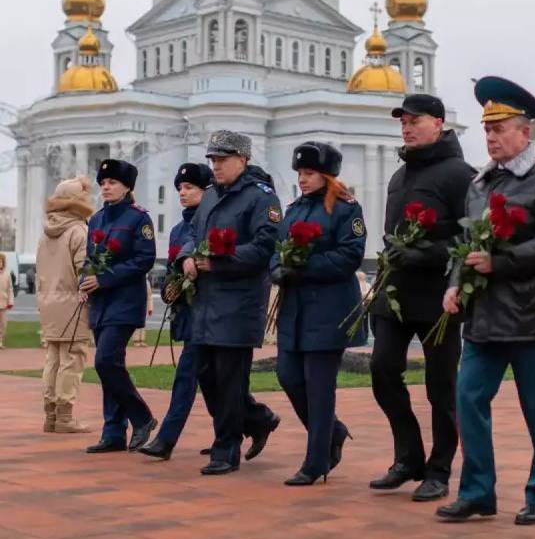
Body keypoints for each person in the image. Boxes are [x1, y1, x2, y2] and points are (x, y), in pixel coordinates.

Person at [435, 76, 535, 524]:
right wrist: (455, 282)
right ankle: (478, 491)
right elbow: (466, 243)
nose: (491, 138)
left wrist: (500, 263)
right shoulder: (480, 184)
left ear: (525, 131)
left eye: (499, 129)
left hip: (532, 315)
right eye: (487, 130)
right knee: (467, 398)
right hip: (483, 316)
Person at [369, 94, 476, 502]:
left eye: (415, 121)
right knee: (382, 371)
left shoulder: (460, 174)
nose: (407, 127)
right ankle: (408, 456)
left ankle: (439, 470)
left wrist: (424, 254)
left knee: (440, 387)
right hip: (395, 294)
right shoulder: (399, 176)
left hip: (438, 298)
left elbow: (469, 238)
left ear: (439, 123)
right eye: (403, 122)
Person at [181, 131, 281, 475]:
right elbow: (193, 233)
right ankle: (257, 419)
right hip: (207, 303)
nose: (216, 166)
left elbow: (266, 246)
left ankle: (226, 449)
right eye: (213, 160)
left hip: (239, 302)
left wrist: (220, 262)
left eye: (222, 159)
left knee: (229, 379)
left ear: (243, 159)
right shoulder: (211, 196)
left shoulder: (261, 198)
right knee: (207, 377)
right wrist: (187, 256)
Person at [272, 142, 366, 485]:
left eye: (309, 173)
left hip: (329, 309)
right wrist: (277, 270)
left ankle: (315, 463)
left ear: (326, 175)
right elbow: (277, 248)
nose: (302, 179)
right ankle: (333, 432)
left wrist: (305, 267)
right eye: (300, 173)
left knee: (319, 389)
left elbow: (350, 254)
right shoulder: (294, 209)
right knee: (288, 376)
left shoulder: (344, 208)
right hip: (294, 310)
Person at [139, 163, 214, 461]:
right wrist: (172, 287)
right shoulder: (177, 230)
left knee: (187, 374)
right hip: (188, 311)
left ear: (206, 191)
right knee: (212, 380)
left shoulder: (213, 222)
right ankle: (255, 420)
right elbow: (173, 268)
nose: (182, 193)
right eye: (180, 188)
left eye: (189, 187)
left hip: (210, 311)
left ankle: (166, 439)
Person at [83, 159, 159, 453]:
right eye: (103, 183)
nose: (106, 187)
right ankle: (113, 432)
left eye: (112, 182)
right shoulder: (96, 219)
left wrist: (105, 279)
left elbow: (144, 259)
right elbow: (90, 258)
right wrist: (85, 281)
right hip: (100, 303)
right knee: (109, 367)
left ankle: (142, 417)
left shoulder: (139, 218)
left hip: (125, 302)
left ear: (127, 187)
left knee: (105, 361)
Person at [36, 176, 95, 433]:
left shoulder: (46, 232)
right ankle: (65, 416)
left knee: (52, 359)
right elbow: (85, 270)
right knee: (72, 359)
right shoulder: (78, 231)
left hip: (49, 302)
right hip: (73, 303)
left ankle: (50, 415)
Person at [131, 281, 153, 347]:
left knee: (143, 323)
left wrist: (150, 308)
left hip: (144, 306)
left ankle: (141, 340)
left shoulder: (147, 282)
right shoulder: (134, 281)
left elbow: (150, 295)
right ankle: (136, 340)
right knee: (136, 323)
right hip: (136, 305)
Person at [0, 253, 12, 350]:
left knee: (3, 324)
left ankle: (0, 341)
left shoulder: (7, 274)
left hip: (3, 302)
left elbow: (10, 289)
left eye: (1, 261)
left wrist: (10, 302)